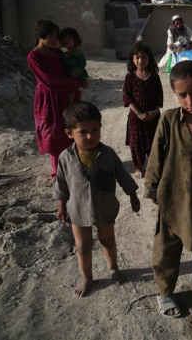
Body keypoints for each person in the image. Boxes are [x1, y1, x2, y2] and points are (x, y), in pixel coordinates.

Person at [144, 60, 192, 318]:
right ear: (174, 94)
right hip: (173, 195)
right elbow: (156, 154)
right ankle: (165, 291)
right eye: (183, 95)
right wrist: (152, 186)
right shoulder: (168, 119)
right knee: (166, 247)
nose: (190, 100)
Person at [55, 101, 140, 297]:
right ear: (69, 133)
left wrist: (132, 195)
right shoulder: (65, 158)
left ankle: (113, 268)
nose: (90, 136)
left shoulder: (107, 154)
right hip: (77, 209)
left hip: (104, 206)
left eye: (95, 129)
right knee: (83, 245)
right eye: (83, 132)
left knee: (108, 240)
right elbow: (61, 183)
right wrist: (61, 205)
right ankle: (87, 277)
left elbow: (122, 175)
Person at [27, 19, 85, 179]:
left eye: (56, 35)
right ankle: (58, 171)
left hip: (67, 97)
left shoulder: (59, 53)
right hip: (48, 99)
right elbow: (50, 81)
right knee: (52, 133)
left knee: (70, 130)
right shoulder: (34, 56)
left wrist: (79, 77)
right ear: (40, 35)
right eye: (50, 35)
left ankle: (73, 165)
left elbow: (72, 67)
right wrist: (74, 83)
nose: (54, 39)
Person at [123, 42, 163, 178]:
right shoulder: (130, 77)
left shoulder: (154, 77)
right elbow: (127, 98)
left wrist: (155, 112)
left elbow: (159, 96)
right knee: (136, 145)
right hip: (136, 118)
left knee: (154, 142)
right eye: (137, 57)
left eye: (144, 57)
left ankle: (154, 166)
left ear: (149, 59)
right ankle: (138, 167)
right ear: (133, 59)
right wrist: (139, 114)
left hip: (153, 117)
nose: (141, 61)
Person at [59, 27, 89, 106]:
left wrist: (76, 71)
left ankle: (71, 103)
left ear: (75, 41)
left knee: (76, 86)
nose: (66, 41)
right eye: (64, 38)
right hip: (67, 72)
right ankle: (71, 103)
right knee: (70, 88)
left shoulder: (76, 52)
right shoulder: (63, 50)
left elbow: (82, 63)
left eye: (69, 39)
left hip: (76, 71)